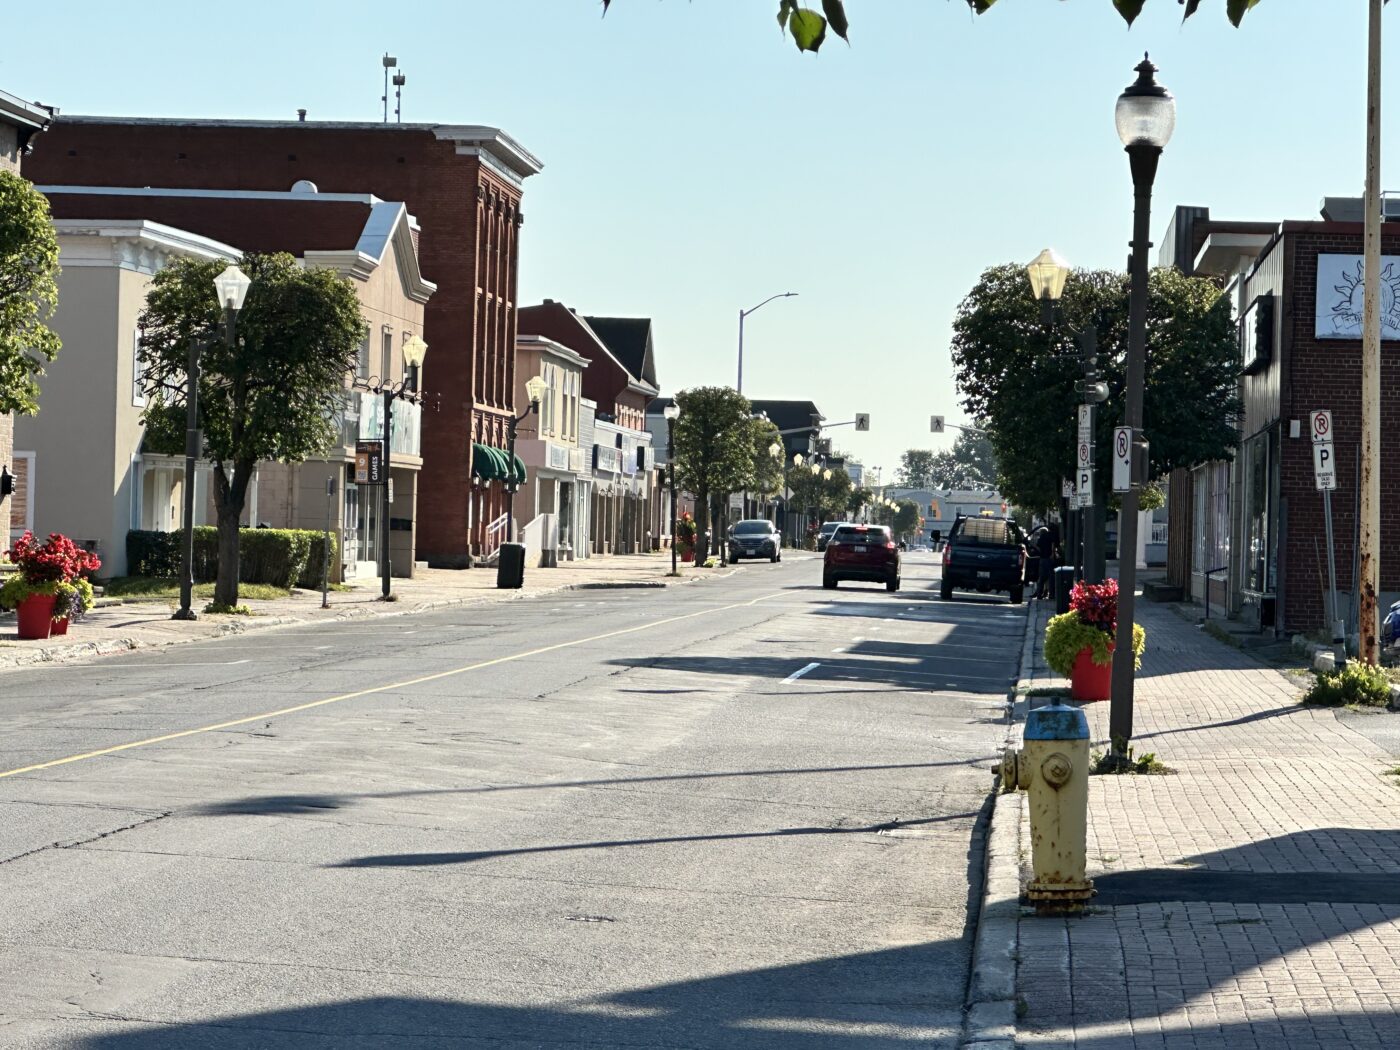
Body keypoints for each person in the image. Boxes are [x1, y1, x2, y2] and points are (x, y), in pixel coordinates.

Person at [1034, 524, 1056, 600]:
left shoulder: (1041, 538)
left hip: (1043, 558)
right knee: (1051, 577)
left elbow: (1037, 546)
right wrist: (1052, 554)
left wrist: (1040, 552)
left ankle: (1039, 594)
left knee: (1042, 577)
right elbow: (1053, 545)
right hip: (1049, 558)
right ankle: (1051, 595)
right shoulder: (1050, 536)